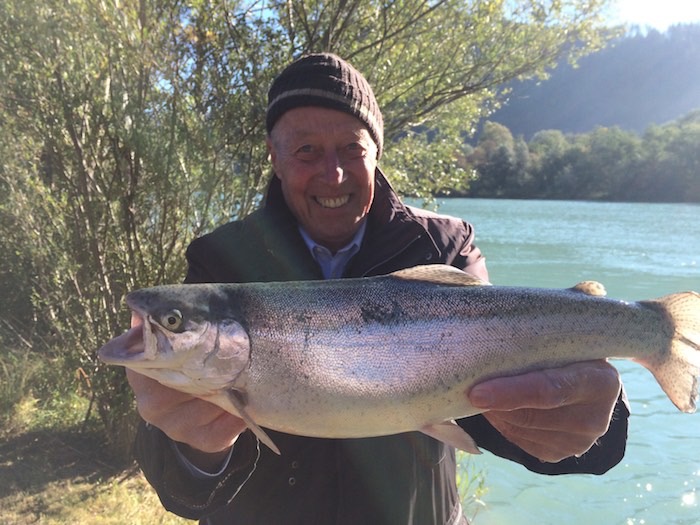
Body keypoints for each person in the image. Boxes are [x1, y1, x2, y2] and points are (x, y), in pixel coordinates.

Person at [125, 53, 629, 525]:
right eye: (306, 150)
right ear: (274, 158)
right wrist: (193, 450)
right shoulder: (219, 263)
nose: (333, 172)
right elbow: (184, 490)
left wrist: (583, 427)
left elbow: (493, 407)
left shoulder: (446, 246)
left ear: (377, 153)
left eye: (352, 147)